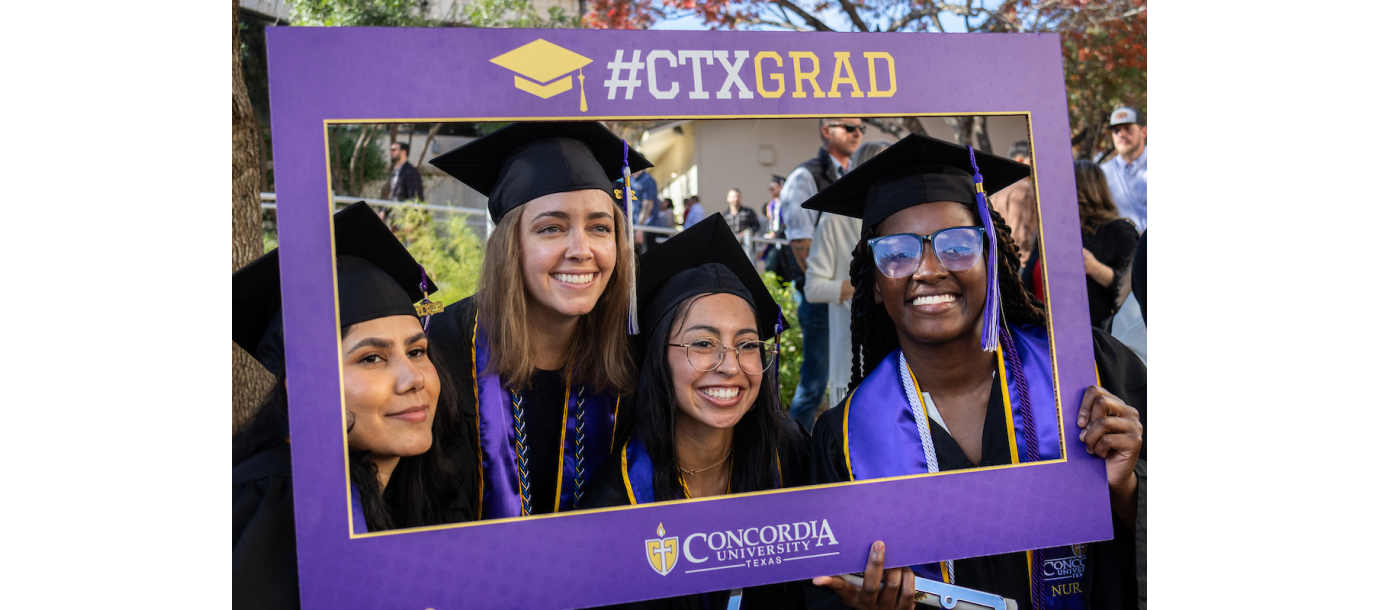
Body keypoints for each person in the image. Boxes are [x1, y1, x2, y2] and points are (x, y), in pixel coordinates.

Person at [802, 134, 1147, 609]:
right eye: (898, 253)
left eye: (958, 245)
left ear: (993, 258)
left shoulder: (1087, 369)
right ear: (875, 284)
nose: (928, 270)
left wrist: (1128, 487)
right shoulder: (843, 437)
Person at [232, 202, 474, 609]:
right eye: (372, 358)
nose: (413, 377)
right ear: (304, 388)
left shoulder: (419, 489)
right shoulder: (273, 507)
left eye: (417, 351)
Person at [580, 214, 808, 609]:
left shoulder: (791, 458)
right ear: (657, 358)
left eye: (748, 344)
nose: (730, 365)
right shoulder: (615, 506)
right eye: (702, 343)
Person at [425, 122, 651, 519]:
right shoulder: (441, 353)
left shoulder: (635, 353)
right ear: (511, 245)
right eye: (551, 228)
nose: (581, 250)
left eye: (600, 227)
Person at [779, 118, 863, 429]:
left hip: (852, 299)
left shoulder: (853, 174)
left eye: (861, 128)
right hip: (823, 301)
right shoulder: (805, 176)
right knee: (814, 385)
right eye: (849, 127)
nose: (857, 133)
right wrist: (830, 289)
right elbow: (802, 244)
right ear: (826, 131)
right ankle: (796, 455)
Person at [804, 140, 889, 409]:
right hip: (856, 350)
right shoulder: (835, 219)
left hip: (901, 346)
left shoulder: (899, 214)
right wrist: (869, 286)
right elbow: (813, 287)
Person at [1074, 159, 1140, 327]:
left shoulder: (1118, 230)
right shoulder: (1056, 231)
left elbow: (1136, 288)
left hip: (1100, 336)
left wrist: (1095, 268)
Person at [988, 140, 1037, 267]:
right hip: (1016, 262)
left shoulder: (1000, 187)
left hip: (998, 258)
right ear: (1021, 160)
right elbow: (1020, 234)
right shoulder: (1022, 188)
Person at [1099, 107, 1147, 232]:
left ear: (1144, 132)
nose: (1121, 134)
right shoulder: (1103, 174)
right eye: (1116, 130)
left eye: (1128, 128)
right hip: (1122, 248)